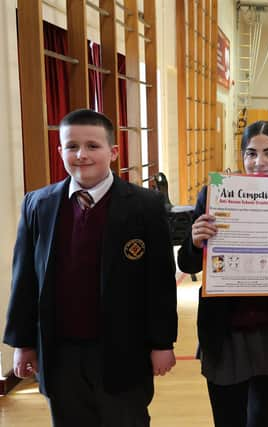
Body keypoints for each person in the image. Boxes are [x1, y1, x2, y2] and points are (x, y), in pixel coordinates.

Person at [3, 109, 178, 427]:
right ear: (60, 151)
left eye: (92, 146)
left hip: (124, 349)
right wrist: (23, 343)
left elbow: (160, 283)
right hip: (61, 352)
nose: (81, 155)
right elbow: (25, 279)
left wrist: (162, 343)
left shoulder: (145, 206)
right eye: (71, 146)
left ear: (113, 151)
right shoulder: (37, 205)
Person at [177, 120, 268, 427]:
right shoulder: (213, 196)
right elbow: (187, 264)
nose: (258, 163)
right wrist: (196, 242)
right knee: (227, 418)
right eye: (250, 153)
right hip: (225, 330)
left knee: (261, 415)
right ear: (241, 156)